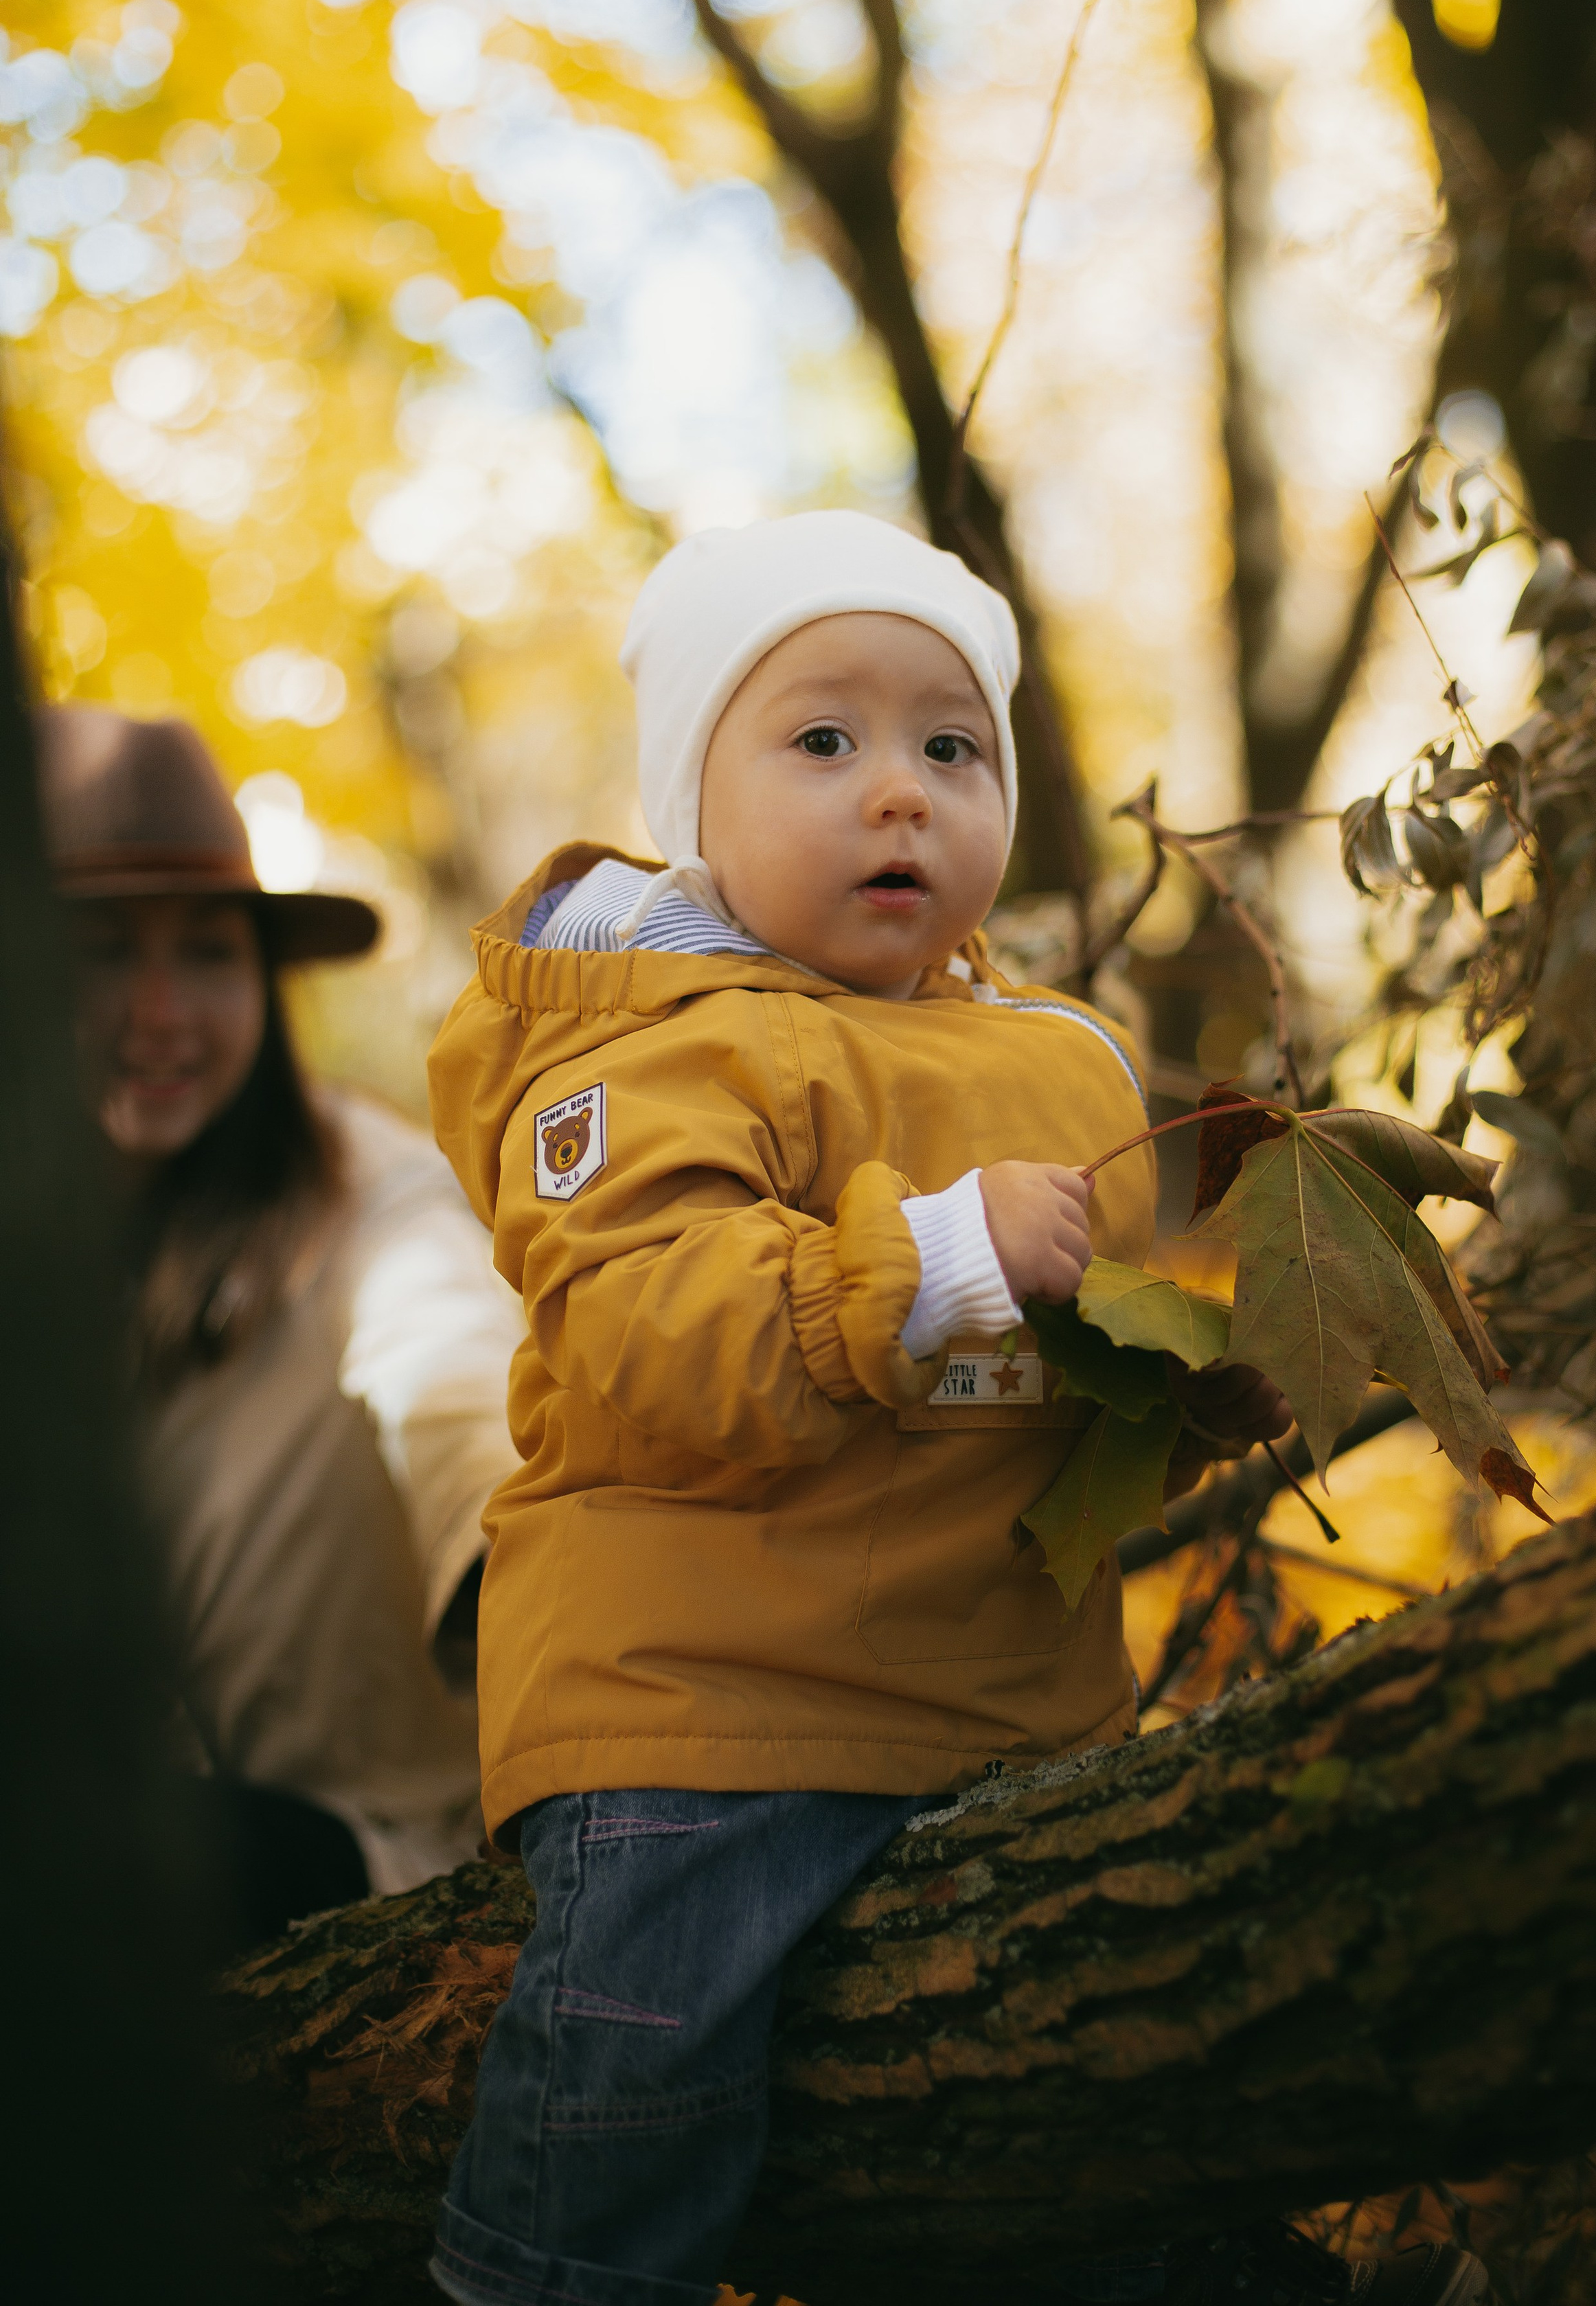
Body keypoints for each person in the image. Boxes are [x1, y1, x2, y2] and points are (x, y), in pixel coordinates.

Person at [424, 513, 1488, 2306]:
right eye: (822, 741)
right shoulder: (651, 1041)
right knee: (635, 2101)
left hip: (1004, 1717)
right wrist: (928, 1254)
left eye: (951, 746)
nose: (899, 793)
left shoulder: (1058, 1062)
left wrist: (1186, 1382)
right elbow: (650, 1343)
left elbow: (1063, 1400)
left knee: (1071, 2114)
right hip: (707, 1713)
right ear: (700, 800)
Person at [38, 704, 523, 1945]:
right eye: (104, 953)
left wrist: (512, 1567)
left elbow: (451, 1375)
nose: (162, 1010)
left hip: (372, 1853)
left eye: (209, 953)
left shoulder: (370, 1200)